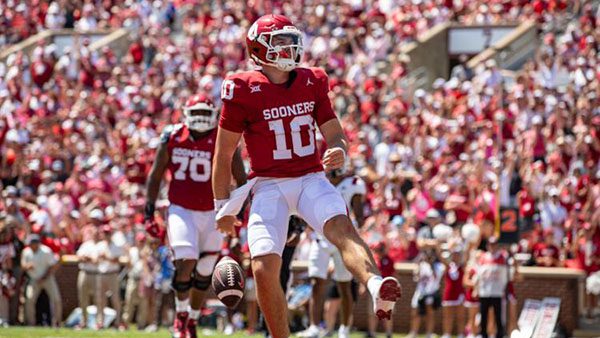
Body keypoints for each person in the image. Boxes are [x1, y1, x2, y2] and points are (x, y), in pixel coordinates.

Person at [213, 14, 401, 338]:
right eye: (280, 42)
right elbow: (224, 154)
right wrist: (222, 206)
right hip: (268, 185)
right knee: (262, 267)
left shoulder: (312, 79)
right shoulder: (243, 88)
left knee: (342, 228)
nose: (289, 47)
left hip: (310, 177)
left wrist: (339, 148)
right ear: (259, 49)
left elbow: (334, 132)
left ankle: (374, 286)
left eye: (291, 40)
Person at [145, 93, 246, 338]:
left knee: (204, 270)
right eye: (196, 113)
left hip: (214, 211)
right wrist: (148, 212)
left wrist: (237, 212)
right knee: (186, 260)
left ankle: (192, 318)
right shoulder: (172, 137)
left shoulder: (223, 138)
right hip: (181, 209)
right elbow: (156, 175)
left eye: (205, 114)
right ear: (187, 114)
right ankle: (180, 317)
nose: (201, 119)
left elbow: (241, 178)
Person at [300, 169, 366, 338]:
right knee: (316, 281)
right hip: (321, 236)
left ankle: (344, 328)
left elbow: (359, 213)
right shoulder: (317, 181)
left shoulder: (353, 184)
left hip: (342, 238)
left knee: (344, 285)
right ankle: (314, 326)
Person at [21, 234, 62, 327]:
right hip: (34, 279)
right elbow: (23, 265)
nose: (32, 245)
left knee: (56, 299)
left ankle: (57, 322)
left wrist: (43, 277)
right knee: (29, 299)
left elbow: (52, 266)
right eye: (31, 243)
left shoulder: (46, 251)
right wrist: (27, 266)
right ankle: (31, 323)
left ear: (38, 243)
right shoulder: (26, 252)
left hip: (47, 278)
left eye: (34, 243)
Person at [477, 236, 508, 338]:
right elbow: (479, 275)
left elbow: (504, 276)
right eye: (490, 244)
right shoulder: (483, 257)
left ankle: (499, 334)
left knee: (498, 315)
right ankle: (483, 334)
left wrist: (502, 288)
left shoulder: (501, 257)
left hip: (497, 291)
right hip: (484, 291)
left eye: (494, 244)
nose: (492, 247)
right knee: (483, 315)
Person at [95, 224, 125, 330]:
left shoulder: (116, 246)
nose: (106, 235)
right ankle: (100, 322)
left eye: (108, 233)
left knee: (115, 299)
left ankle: (118, 322)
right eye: (105, 233)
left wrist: (106, 257)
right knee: (100, 300)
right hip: (101, 274)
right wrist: (98, 258)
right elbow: (95, 260)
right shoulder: (99, 245)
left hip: (112, 273)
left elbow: (117, 261)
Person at [75, 226, 100, 329]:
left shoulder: (101, 245)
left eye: (97, 233)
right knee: (83, 299)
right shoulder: (86, 244)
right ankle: (83, 322)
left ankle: (98, 323)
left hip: (96, 274)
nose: (95, 235)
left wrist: (88, 258)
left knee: (98, 300)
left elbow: (96, 261)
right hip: (84, 272)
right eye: (94, 233)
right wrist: (86, 258)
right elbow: (79, 256)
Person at [441, 247, 465, 338]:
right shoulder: (448, 266)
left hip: (460, 294)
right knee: (447, 316)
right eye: (454, 254)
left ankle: (461, 334)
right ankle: (447, 334)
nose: (456, 256)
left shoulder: (463, 266)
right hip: (449, 294)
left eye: (458, 254)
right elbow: (441, 256)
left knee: (460, 316)